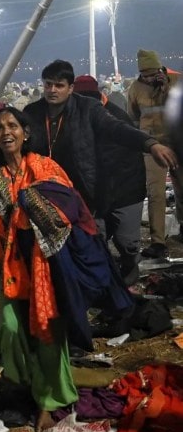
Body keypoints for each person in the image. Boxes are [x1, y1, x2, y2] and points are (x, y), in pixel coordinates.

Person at [0, 107, 133, 432]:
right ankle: (33, 386)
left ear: (25, 131)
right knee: (9, 329)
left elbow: (64, 213)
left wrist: (26, 200)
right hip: (14, 268)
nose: (6, 132)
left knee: (48, 337)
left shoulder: (45, 166)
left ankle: (48, 404)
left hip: (48, 268)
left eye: (12, 125)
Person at [24, 59, 177, 219]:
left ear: (70, 88)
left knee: (86, 240)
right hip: (44, 188)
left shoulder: (87, 108)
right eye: (48, 85)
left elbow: (117, 128)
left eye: (59, 85)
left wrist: (151, 145)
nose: (52, 90)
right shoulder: (32, 112)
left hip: (80, 191)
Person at [72, 75, 145, 284]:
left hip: (125, 191)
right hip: (93, 195)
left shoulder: (116, 119)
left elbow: (127, 164)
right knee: (96, 240)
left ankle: (129, 266)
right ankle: (105, 282)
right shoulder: (72, 120)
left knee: (127, 243)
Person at [128, 49, 182, 258]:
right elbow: (132, 118)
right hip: (153, 147)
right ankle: (158, 241)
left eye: (154, 73)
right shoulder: (135, 89)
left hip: (178, 142)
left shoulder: (177, 82)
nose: (151, 78)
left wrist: (166, 89)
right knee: (156, 194)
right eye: (146, 75)